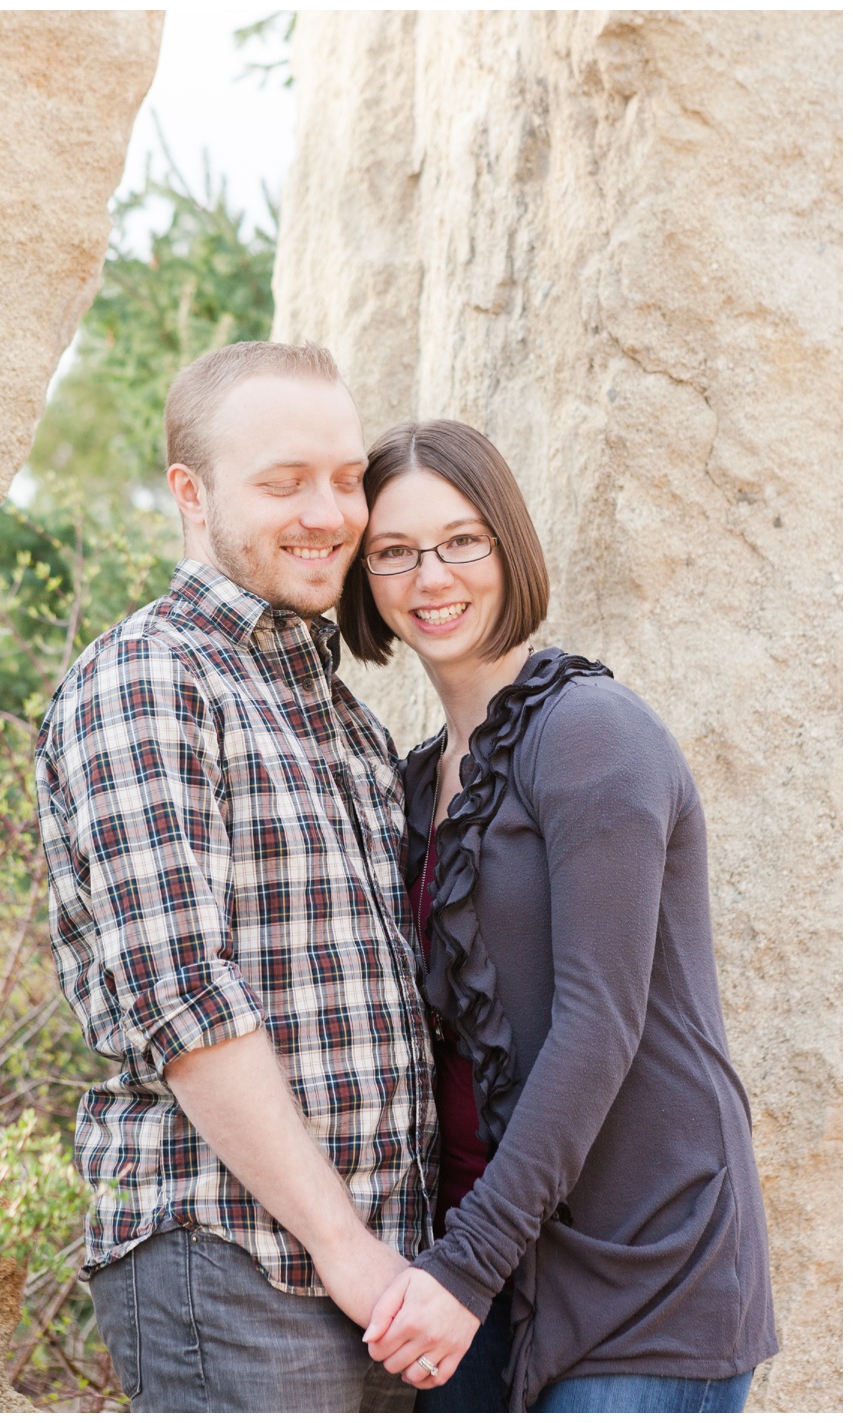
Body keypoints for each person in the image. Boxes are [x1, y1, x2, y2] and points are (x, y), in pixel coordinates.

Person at [37, 341, 474, 1412]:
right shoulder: (149, 676)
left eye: (343, 479)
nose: (328, 512)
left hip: (376, 1274)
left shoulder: (346, 721)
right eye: (283, 482)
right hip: (232, 1265)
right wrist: (344, 1246)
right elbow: (181, 997)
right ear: (190, 494)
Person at [340, 419, 779, 1411]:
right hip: (483, 1265)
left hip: (642, 1272)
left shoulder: (588, 732)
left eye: (461, 541)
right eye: (393, 552)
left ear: (508, 545)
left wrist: (461, 1269)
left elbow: (598, 1024)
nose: (429, 577)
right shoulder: (415, 780)